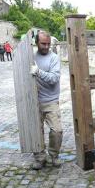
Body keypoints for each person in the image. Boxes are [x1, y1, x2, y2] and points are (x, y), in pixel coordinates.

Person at [30, 31, 63, 170]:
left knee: (57, 130)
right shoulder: (31, 57)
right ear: (37, 42)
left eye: (48, 43)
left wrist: (38, 72)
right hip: (34, 101)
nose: (46, 46)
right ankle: (40, 158)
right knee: (36, 131)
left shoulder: (54, 58)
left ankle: (54, 155)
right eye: (43, 43)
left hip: (50, 100)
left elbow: (54, 79)